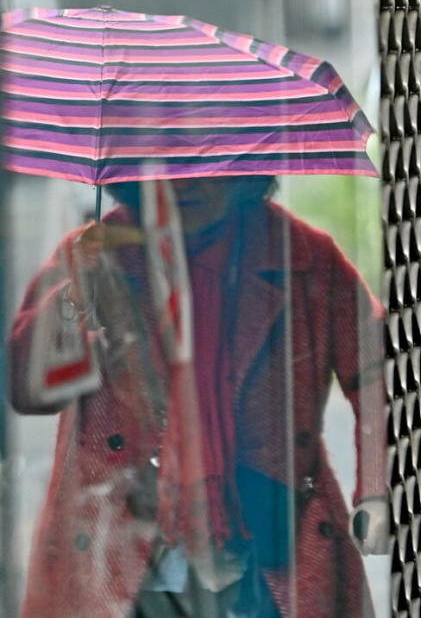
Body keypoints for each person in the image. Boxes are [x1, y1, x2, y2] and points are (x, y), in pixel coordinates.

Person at [7, 176, 387, 618]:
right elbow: (29, 390)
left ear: (243, 171)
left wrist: (376, 490)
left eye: (206, 162)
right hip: (117, 543)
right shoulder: (96, 252)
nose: (184, 182)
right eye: (163, 161)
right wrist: (74, 292)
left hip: (270, 538)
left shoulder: (304, 255)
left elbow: (376, 373)